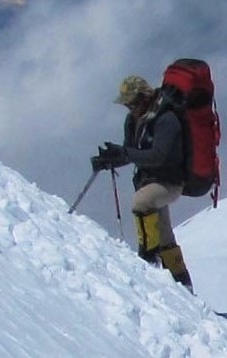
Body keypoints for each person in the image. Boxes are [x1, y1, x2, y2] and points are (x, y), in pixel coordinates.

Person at [95, 72, 192, 286]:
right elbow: (132, 152)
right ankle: (182, 282)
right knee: (165, 236)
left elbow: (158, 156)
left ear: (144, 97)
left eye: (132, 103)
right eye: (127, 105)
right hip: (151, 182)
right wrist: (110, 160)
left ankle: (148, 259)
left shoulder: (166, 119)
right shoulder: (134, 120)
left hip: (170, 182)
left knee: (142, 202)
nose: (130, 108)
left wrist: (123, 154)